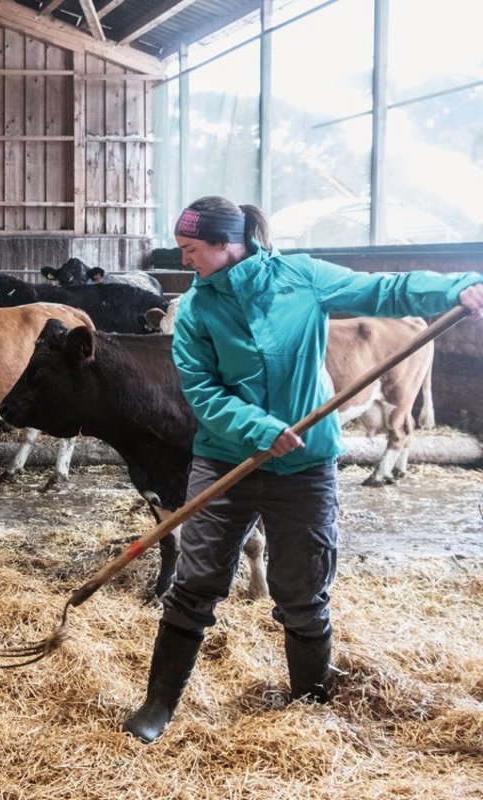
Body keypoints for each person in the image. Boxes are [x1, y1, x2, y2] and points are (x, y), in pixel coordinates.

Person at [124, 195, 483, 743]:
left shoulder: (301, 278)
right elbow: (202, 390)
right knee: (196, 581)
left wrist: (456, 286)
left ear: (227, 244)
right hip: (227, 459)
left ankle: (309, 703)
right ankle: (157, 706)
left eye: (193, 249)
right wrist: (260, 430)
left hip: (307, 463)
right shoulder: (197, 309)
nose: (186, 259)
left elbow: (385, 290)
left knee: (303, 588)